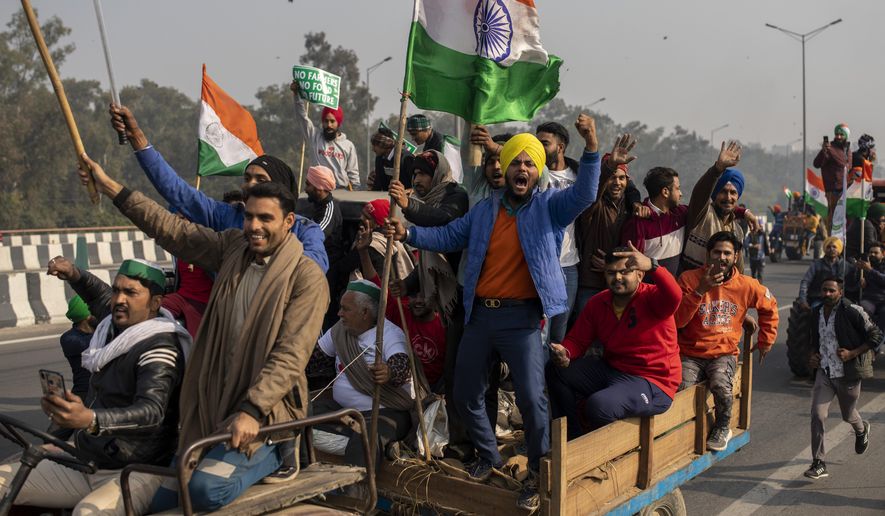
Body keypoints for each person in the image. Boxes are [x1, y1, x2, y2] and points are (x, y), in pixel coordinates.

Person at [78, 154, 329, 513]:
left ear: (289, 222)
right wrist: (111, 188)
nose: (254, 226)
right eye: (249, 216)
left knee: (203, 490)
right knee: (161, 497)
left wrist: (252, 410)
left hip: (267, 418)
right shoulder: (232, 249)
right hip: (214, 407)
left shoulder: (306, 277)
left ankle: (280, 455)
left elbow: (290, 355)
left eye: (265, 219)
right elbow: (171, 229)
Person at [386, 116, 609, 510]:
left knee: (531, 397)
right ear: (504, 168)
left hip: (522, 320)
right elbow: (448, 235)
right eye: (516, 162)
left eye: (529, 163)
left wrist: (591, 145)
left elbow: (585, 195)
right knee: (466, 391)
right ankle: (488, 456)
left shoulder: (550, 208)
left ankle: (539, 472)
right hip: (480, 316)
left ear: (536, 172)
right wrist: (408, 232)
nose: (521, 169)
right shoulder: (484, 210)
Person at [1, 258, 190, 515]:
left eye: (131, 292)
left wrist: (89, 418)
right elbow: (97, 294)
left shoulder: (160, 347)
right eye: (117, 290)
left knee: (87, 513)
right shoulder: (113, 326)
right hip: (87, 460)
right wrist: (72, 273)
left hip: (137, 470)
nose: (119, 299)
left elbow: (151, 412)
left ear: (155, 303)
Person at [109, 104, 329, 273]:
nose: (250, 185)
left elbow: (315, 266)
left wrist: (262, 257)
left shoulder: (305, 230)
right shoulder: (226, 216)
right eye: (247, 178)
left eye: (260, 180)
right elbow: (177, 191)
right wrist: (138, 139)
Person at [547, 244, 681, 439]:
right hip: (614, 371)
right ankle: (571, 438)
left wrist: (653, 266)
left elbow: (675, 295)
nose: (617, 278)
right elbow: (577, 340)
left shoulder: (654, 298)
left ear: (640, 275)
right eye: (611, 273)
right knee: (556, 370)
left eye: (624, 272)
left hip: (653, 382)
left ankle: (608, 454)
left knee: (599, 405)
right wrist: (565, 352)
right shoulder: (598, 302)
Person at [675, 231, 779, 451]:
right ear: (708, 254)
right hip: (690, 354)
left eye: (727, 253)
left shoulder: (747, 285)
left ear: (736, 256)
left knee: (721, 387)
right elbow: (679, 321)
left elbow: (770, 306)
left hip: (723, 355)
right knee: (680, 389)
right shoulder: (689, 279)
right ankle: (681, 435)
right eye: (717, 252)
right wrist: (701, 290)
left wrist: (766, 340)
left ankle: (723, 426)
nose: (721, 257)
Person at [312, 280, 416, 467]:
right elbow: (313, 360)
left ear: (365, 313)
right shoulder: (339, 330)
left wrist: (388, 372)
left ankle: (357, 492)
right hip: (344, 411)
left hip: (385, 412)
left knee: (367, 438)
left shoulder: (390, 334)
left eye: (345, 309)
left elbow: (401, 366)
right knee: (300, 415)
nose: (339, 313)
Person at [805, 277, 879, 479]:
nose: (827, 294)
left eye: (831, 290)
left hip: (848, 374)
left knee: (848, 415)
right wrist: (813, 356)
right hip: (825, 373)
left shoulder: (852, 311)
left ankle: (861, 428)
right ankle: (819, 462)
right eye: (824, 290)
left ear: (840, 292)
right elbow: (814, 340)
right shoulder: (816, 312)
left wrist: (853, 353)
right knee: (818, 415)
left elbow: (876, 335)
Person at [356, 228, 446, 386]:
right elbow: (376, 283)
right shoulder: (401, 312)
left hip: (433, 391)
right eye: (413, 295)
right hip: (403, 387)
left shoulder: (445, 327)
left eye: (423, 295)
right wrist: (363, 252)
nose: (418, 301)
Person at [573, 146, 641, 318]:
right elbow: (595, 191)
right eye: (612, 178)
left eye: (622, 178)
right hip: (591, 283)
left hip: (622, 284)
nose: (617, 183)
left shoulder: (631, 207)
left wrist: (612, 265)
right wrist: (609, 167)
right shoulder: (592, 205)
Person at [536, 122, 583, 343]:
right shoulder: (533, 175)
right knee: (539, 331)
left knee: (559, 332)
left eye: (544, 143)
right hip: (541, 264)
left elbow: (605, 185)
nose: (539, 148)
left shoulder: (578, 175)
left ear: (560, 147)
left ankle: (553, 377)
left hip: (569, 264)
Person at [682, 141, 757, 272]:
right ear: (715, 194)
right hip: (693, 288)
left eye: (733, 192)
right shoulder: (702, 215)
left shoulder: (737, 231)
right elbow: (700, 194)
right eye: (723, 191)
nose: (728, 197)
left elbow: (738, 273)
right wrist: (717, 169)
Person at [291, 82, 359, 189]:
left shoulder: (348, 145)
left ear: (338, 123)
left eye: (332, 121)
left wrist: (355, 195)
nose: (329, 125)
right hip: (317, 190)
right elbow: (302, 117)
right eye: (326, 121)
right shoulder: (314, 136)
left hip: (341, 192)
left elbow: (353, 174)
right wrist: (296, 95)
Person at [813, 124, 851, 230]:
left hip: (845, 191)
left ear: (846, 136)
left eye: (841, 134)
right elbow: (816, 163)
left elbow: (846, 164)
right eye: (837, 134)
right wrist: (824, 151)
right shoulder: (830, 148)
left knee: (845, 221)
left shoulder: (847, 150)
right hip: (832, 192)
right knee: (833, 221)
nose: (838, 136)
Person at [407, 114, 463, 183]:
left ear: (427, 130)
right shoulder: (429, 145)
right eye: (411, 134)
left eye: (415, 134)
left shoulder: (443, 145)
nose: (412, 138)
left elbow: (449, 176)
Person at [59, 294, 95, 399]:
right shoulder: (69, 338)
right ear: (87, 316)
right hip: (86, 395)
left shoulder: (101, 331)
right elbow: (94, 344)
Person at [798, 236, 846, 311]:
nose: (831, 249)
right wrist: (803, 300)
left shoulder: (844, 265)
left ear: (839, 249)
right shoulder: (816, 264)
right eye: (828, 247)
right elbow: (805, 282)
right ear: (825, 249)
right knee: (815, 311)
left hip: (839, 300)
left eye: (834, 247)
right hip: (820, 299)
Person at [367, 126, 414, 191]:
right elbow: (378, 184)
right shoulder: (379, 159)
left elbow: (414, 185)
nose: (373, 149)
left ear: (384, 144)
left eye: (375, 145)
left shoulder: (406, 158)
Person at [853, 242, 885, 331]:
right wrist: (859, 281)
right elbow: (851, 285)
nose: (872, 254)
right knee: (863, 311)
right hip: (869, 299)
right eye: (870, 252)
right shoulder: (863, 266)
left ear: (883, 254)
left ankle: (879, 339)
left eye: (876, 252)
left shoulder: (869, 268)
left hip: (883, 300)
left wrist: (870, 270)